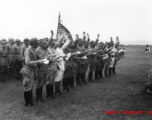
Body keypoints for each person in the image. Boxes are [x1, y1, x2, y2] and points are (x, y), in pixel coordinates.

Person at [20, 38, 45, 107]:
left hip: (32, 71)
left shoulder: (33, 49)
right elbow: (27, 62)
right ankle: (27, 103)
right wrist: (38, 62)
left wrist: (41, 60)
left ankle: (30, 102)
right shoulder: (28, 51)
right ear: (33, 43)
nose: (38, 44)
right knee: (27, 87)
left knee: (30, 86)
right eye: (37, 43)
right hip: (28, 71)